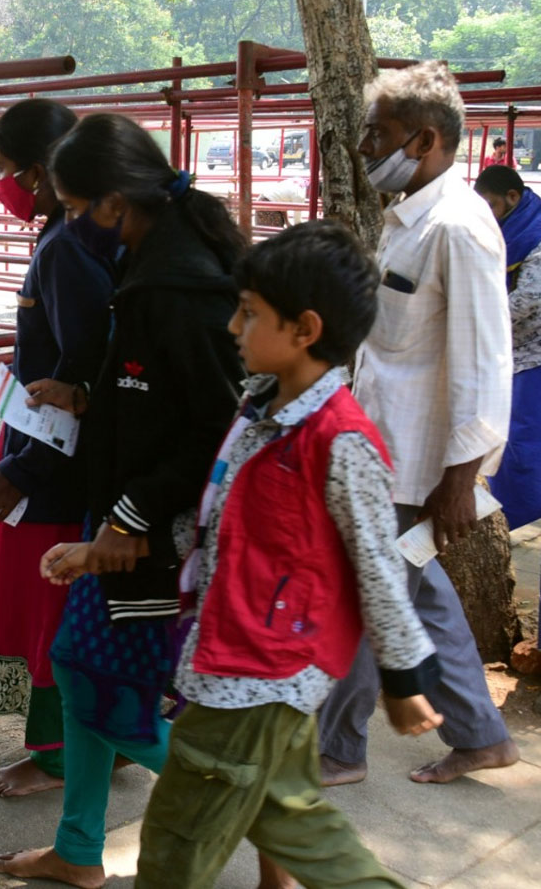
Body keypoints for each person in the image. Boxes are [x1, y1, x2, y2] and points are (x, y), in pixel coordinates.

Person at [136, 221, 444, 889]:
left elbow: (379, 566)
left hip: (257, 670)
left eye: (249, 314)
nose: (232, 328)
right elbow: (227, 517)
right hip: (241, 657)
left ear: (304, 329)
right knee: (296, 821)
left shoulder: (341, 442)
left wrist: (402, 681)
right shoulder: (259, 408)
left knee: (175, 846)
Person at [0, 113, 246, 888]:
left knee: (94, 679)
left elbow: (210, 429)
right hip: (134, 519)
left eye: (70, 207)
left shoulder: (174, 285)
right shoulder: (151, 265)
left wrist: (127, 525)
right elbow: (152, 399)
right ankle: (77, 849)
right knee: (88, 670)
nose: (65, 224)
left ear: (109, 204)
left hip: (158, 532)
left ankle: (259, 801)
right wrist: (85, 393)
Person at [315, 60, 520, 788]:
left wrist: (462, 478)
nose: (366, 149)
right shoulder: (410, 221)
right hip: (383, 447)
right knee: (406, 592)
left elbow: (485, 363)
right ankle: (480, 735)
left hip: (418, 460)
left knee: (370, 590)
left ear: (426, 140)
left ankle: (340, 749)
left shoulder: (459, 230)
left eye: (380, 136)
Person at [0, 99, 114, 799]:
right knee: (63, 604)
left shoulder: (68, 247)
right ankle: (88, 747)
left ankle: (56, 758)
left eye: (7, 170)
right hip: (48, 451)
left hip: (51, 466)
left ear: (43, 172)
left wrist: (24, 468)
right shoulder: (73, 235)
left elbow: (81, 373)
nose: (4, 184)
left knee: (49, 604)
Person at [475, 164, 541, 639]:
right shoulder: (505, 233)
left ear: (513, 198)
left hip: (531, 355)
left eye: (493, 206)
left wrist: (479, 312)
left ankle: (514, 519)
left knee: (520, 447)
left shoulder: (535, 236)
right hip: (510, 356)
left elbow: (529, 300)